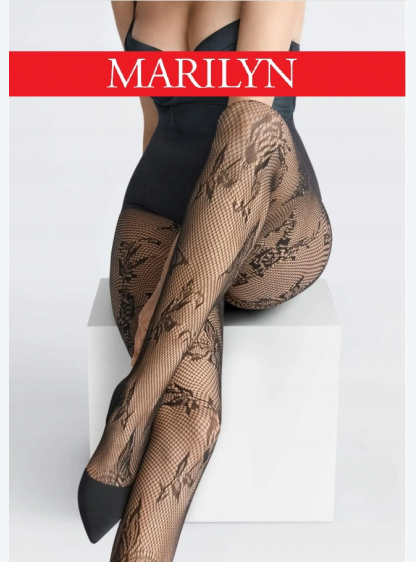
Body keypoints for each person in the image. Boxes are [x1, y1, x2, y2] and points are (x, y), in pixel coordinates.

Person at [78, 2, 333, 561]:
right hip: (162, 213)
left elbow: (253, 107)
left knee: (253, 127)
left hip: (271, 221)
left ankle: (130, 409)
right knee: (187, 411)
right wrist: (172, 269)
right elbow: (154, 122)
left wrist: (171, 292)